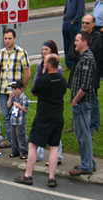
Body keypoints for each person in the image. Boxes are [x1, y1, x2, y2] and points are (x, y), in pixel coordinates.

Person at [15, 54, 68, 187]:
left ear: (49, 65)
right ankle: (51, 178)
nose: (43, 65)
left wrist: (42, 74)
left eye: (44, 63)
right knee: (54, 147)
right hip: (57, 117)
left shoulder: (42, 81)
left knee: (33, 145)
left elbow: (34, 92)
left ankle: (28, 175)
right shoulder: (62, 80)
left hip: (43, 117)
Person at [0, 29, 30, 148]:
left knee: (18, 116)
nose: (7, 41)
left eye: (10, 38)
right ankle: (10, 140)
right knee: (6, 116)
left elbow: (27, 72)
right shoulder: (0, 53)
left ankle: (22, 141)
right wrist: (2, 82)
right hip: (4, 90)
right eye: (5, 38)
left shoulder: (21, 52)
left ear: (14, 38)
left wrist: (21, 88)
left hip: (16, 92)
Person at [69, 31, 97, 176]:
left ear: (84, 42)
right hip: (81, 103)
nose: (75, 43)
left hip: (82, 103)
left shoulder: (87, 59)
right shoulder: (84, 57)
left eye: (77, 40)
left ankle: (86, 166)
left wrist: (75, 99)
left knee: (83, 134)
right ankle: (89, 162)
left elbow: (85, 85)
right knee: (82, 134)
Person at [33, 40, 64, 165]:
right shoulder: (41, 65)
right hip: (43, 101)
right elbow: (36, 80)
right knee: (40, 129)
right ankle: (39, 155)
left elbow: (59, 83)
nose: (44, 52)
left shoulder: (58, 66)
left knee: (54, 131)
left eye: (46, 49)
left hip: (54, 104)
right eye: (43, 49)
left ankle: (58, 157)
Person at [70, 14, 101, 135]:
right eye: (83, 22)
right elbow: (71, 52)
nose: (84, 25)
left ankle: (93, 124)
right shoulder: (79, 35)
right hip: (78, 71)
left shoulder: (97, 38)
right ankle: (76, 123)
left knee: (93, 99)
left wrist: (79, 55)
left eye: (87, 23)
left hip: (91, 73)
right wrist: (78, 54)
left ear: (93, 24)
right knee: (75, 93)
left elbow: (92, 52)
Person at [7, 80, 29, 159]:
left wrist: (18, 105)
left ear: (21, 89)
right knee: (14, 137)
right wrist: (10, 98)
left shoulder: (24, 98)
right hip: (13, 120)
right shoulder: (14, 97)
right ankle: (15, 151)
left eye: (16, 89)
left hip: (20, 121)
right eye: (13, 89)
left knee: (21, 137)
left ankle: (24, 152)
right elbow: (9, 105)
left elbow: (26, 109)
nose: (14, 91)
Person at [63, 0, 85, 68]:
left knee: (75, 44)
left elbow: (80, 11)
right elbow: (66, 8)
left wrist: (74, 20)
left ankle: (75, 63)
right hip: (66, 21)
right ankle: (68, 64)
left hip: (74, 23)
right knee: (67, 44)